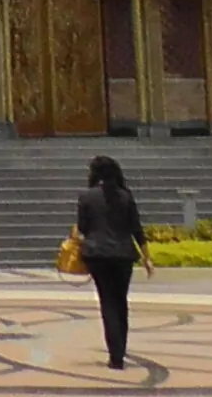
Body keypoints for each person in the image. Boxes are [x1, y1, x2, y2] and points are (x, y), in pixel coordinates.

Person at [74, 154, 154, 371]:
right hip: (123, 254)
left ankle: (115, 355)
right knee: (120, 301)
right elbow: (136, 229)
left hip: (97, 254)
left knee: (107, 302)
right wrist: (147, 258)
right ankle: (120, 349)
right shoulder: (125, 196)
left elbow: (82, 229)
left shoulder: (87, 197)